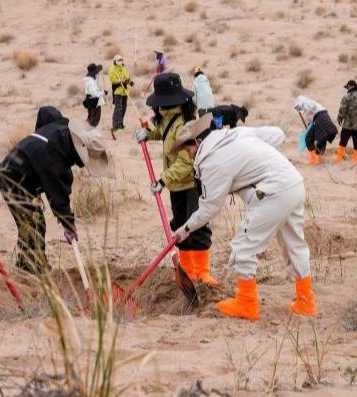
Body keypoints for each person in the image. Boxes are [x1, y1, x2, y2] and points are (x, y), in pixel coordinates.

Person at [171, 114, 316, 321]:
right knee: (294, 244)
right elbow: (277, 135)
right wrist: (256, 159)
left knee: (244, 247)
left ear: (199, 142)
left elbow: (209, 208)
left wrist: (184, 230)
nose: (189, 156)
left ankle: (247, 303)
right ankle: (306, 301)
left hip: (273, 192)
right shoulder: (237, 133)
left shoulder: (212, 162)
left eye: (189, 150)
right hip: (294, 183)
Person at [0, 107, 102, 275]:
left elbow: (47, 112)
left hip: (25, 174)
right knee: (32, 223)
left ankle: (30, 264)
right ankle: (30, 269)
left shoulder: (63, 132)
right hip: (12, 178)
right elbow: (58, 197)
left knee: (34, 221)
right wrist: (68, 225)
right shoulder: (53, 159)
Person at [135, 73, 217, 286]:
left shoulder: (185, 124)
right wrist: (147, 134)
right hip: (176, 185)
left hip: (191, 184)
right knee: (180, 226)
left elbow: (185, 163)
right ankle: (188, 270)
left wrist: (162, 180)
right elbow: (164, 134)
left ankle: (202, 272)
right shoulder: (168, 116)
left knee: (196, 227)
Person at [294, 96, 337, 165]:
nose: (300, 110)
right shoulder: (313, 108)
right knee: (321, 139)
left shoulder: (308, 103)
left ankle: (314, 160)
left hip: (320, 118)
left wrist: (301, 107)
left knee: (308, 139)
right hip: (324, 117)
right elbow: (310, 121)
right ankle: (319, 158)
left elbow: (310, 106)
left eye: (299, 107)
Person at [108, 55, 133, 132]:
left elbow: (127, 76)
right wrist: (121, 82)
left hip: (124, 91)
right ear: (115, 61)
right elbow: (113, 80)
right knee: (118, 109)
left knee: (124, 108)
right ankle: (116, 126)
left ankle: (121, 124)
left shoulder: (124, 68)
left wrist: (129, 81)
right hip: (117, 91)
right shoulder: (112, 69)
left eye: (121, 60)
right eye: (119, 60)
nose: (120, 61)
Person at [83, 63, 105, 128]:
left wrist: (99, 68)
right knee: (95, 118)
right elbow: (94, 93)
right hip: (94, 100)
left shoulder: (89, 78)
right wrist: (103, 93)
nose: (96, 73)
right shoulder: (91, 81)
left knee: (90, 116)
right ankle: (91, 132)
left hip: (90, 100)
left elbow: (97, 71)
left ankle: (87, 130)